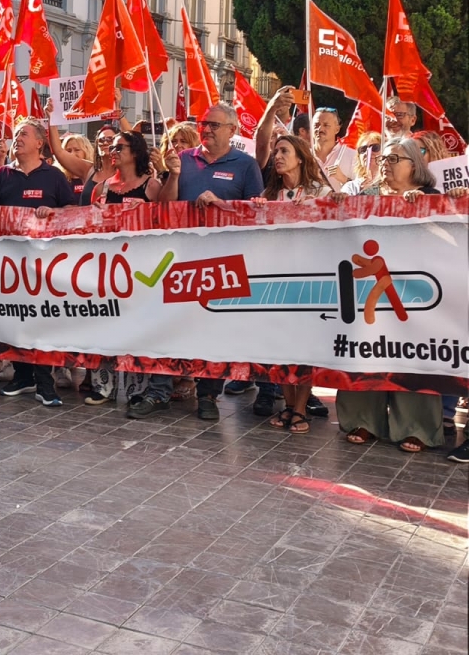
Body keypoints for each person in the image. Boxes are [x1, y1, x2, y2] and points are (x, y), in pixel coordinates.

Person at [146, 104, 265, 421]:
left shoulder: (246, 165)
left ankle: (208, 395)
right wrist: (172, 175)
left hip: (223, 261)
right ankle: (158, 390)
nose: (207, 129)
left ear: (232, 131)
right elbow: (163, 206)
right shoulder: (183, 160)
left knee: (212, 328)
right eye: (203, 123)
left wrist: (220, 204)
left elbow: (256, 214)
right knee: (169, 324)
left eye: (214, 124)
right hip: (180, 257)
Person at [339, 137, 444, 453]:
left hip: (416, 297)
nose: (384, 163)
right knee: (366, 351)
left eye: (394, 158)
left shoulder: (431, 198)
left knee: (413, 356)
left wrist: (434, 206)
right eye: (382, 157)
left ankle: (418, 428)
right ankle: (362, 420)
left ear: (415, 166)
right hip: (367, 295)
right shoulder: (364, 197)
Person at [0, 117, 75, 406]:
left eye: (24, 134)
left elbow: (72, 209)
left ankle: (45, 383)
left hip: (44, 266)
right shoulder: (3, 174)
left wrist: (54, 213)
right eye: (15, 134)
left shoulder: (53, 176)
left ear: (40, 143)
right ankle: (23, 376)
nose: (17, 138)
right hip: (10, 265)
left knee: (39, 322)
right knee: (14, 320)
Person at [249, 135, 332, 433]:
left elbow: (337, 221)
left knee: (304, 348)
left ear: (301, 157)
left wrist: (320, 206)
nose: (277, 156)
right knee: (279, 346)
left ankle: (301, 409)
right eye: (275, 152)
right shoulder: (269, 194)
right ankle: (287, 405)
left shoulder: (321, 191)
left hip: (309, 282)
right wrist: (257, 210)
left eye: (284, 151)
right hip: (274, 282)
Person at [84, 131, 161, 407]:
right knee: (104, 323)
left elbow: (167, 221)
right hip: (106, 268)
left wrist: (149, 210)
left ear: (136, 152)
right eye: (111, 146)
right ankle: (102, 385)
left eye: (120, 147)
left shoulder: (152, 186)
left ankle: (136, 388)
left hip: (140, 270)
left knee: (137, 327)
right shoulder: (101, 188)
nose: (113, 151)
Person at [311, 107, 357, 188]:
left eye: (326, 125)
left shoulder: (352, 155)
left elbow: (361, 191)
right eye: (316, 125)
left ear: (337, 129)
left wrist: (344, 179)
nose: (320, 129)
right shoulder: (303, 155)